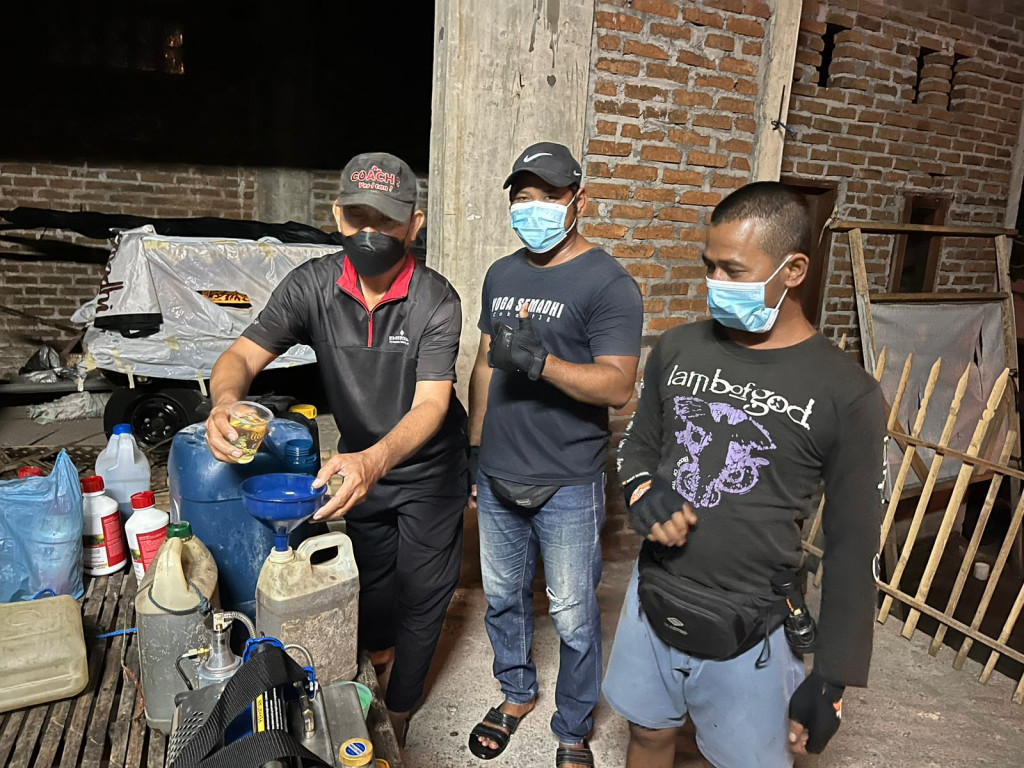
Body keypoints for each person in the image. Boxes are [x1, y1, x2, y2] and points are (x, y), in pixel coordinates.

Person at [603, 181, 886, 768]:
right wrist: (645, 492)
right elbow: (638, 448)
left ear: (793, 270)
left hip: (756, 621)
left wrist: (832, 677)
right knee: (649, 734)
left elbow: (854, 546)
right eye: (709, 266)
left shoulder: (846, 393)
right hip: (655, 592)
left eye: (733, 270)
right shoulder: (679, 349)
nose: (715, 284)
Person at [204, 152, 467, 745]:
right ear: (337, 216)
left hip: (427, 467)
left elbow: (431, 404)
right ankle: (378, 659)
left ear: (414, 224)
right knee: (370, 579)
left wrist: (376, 459)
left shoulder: (436, 300)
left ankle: (400, 711)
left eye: (388, 219)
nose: (371, 232)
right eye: (357, 216)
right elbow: (241, 357)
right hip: (354, 465)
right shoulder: (313, 285)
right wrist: (223, 402)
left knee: (424, 592)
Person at [466, 142, 643, 767]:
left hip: (568, 478)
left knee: (570, 615)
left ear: (578, 201)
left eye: (547, 197)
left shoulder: (608, 282)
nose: (533, 208)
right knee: (504, 597)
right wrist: (475, 447)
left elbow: (619, 385)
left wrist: (543, 363)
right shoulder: (501, 274)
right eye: (522, 198)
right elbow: (486, 368)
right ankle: (516, 693)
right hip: (497, 473)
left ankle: (572, 727)